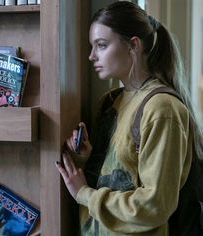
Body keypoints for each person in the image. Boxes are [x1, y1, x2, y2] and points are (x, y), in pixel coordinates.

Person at [56, 1, 203, 235]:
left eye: (101, 45)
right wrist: (85, 159)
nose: (91, 55)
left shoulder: (162, 109)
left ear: (133, 46)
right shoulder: (109, 102)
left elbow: (155, 205)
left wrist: (84, 194)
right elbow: (115, 178)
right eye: (92, 46)